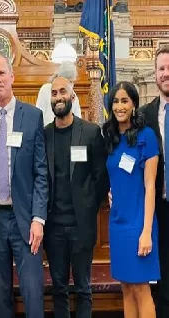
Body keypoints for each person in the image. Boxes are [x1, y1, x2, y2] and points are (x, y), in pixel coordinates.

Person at [0, 52, 48, 318]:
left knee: (32, 291)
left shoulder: (32, 116)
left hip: (26, 221)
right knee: (1, 294)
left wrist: (38, 218)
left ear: (12, 77)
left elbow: (41, 172)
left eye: (1, 73)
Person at [43, 76, 108, 318]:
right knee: (58, 289)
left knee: (83, 289)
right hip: (54, 228)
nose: (58, 97)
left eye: (63, 91)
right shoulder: (44, 135)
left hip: (82, 226)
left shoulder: (91, 132)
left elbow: (101, 177)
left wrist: (89, 204)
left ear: (72, 96)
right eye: (54, 93)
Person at [103, 82, 160, 318]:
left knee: (140, 287)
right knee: (125, 286)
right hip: (117, 223)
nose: (119, 106)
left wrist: (146, 231)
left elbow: (150, 186)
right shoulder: (112, 138)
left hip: (139, 223)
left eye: (124, 100)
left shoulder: (147, 136)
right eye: (115, 101)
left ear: (134, 104)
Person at [140, 45, 169, 318]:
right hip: (158, 208)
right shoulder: (145, 115)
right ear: (155, 74)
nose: (165, 73)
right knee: (161, 280)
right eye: (161, 69)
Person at [36, 61, 82, 126]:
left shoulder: (73, 95)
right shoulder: (45, 89)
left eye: (72, 82)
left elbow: (78, 117)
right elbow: (38, 113)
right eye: (69, 81)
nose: (71, 85)